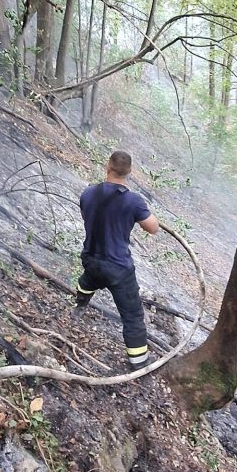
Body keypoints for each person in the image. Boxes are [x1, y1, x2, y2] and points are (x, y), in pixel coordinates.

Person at [74, 151, 159, 370]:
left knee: (87, 281)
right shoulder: (133, 201)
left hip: (91, 260)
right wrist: (140, 213)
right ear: (129, 172)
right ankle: (139, 365)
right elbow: (153, 229)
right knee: (132, 316)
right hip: (118, 268)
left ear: (107, 166)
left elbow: (88, 218)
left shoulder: (88, 193)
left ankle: (79, 306)